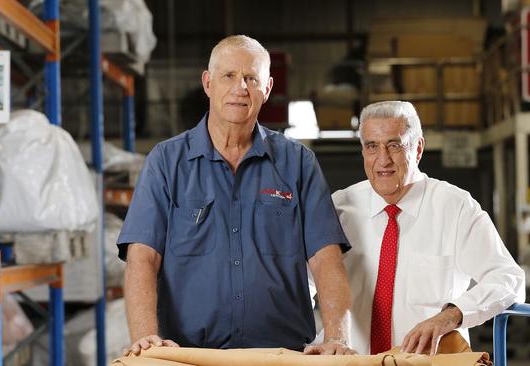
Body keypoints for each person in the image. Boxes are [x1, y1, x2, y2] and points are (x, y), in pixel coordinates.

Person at [118, 35, 355, 356]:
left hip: (280, 355)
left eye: (251, 78)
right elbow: (142, 258)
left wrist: (337, 337)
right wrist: (146, 336)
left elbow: (326, 259)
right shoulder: (166, 162)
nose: (240, 88)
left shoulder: (297, 162)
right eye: (229, 76)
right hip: (190, 355)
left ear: (267, 88)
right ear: (208, 83)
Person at [332, 101, 526, 355]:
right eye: (372, 147)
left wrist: (450, 315)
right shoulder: (340, 208)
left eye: (394, 145)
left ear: (418, 148)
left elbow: (508, 278)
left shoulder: (456, 208)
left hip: (428, 362)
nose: (383, 160)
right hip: (355, 361)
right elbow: (306, 279)